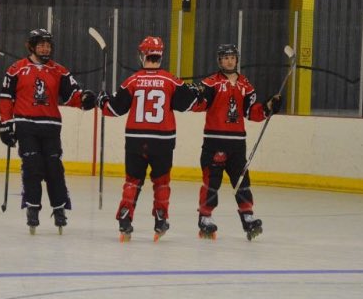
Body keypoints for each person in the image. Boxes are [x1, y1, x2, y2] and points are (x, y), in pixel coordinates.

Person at [96, 36, 199, 241]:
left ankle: (125, 215)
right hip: (163, 140)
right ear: (160, 55)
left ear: (143, 55)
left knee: (133, 181)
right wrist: (194, 91)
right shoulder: (171, 80)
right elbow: (188, 104)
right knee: (162, 182)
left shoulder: (132, 81)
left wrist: (102, 101)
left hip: (136, 140)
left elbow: (114, 110)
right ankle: (161, 218)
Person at [0, 28, 96, 233]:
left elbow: (72, 95)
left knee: (54, 168)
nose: (45, 48)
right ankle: (32, 208)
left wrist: (85, 99)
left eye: (48, 45)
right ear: (31, 47)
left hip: (50, 126)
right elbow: (6, 99)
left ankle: (59, 209)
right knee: (32, 166)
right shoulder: (16, 69)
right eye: (41, 44)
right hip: (26, 125)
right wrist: (5, 124)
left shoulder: (59, 71)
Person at [192, 44, 281, 241]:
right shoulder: (211, 83)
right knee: (212, 182)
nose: (229, 61)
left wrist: (268, 107)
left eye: (232, 57)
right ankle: (205, 217)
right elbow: (199, 105)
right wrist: (195, 95)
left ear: (237, 60)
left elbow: (251, 112)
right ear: (219, 61)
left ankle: (248, 216)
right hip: (214, 141)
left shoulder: (246, 85)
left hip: (237, 143)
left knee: (242, 182)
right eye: (225, 57)